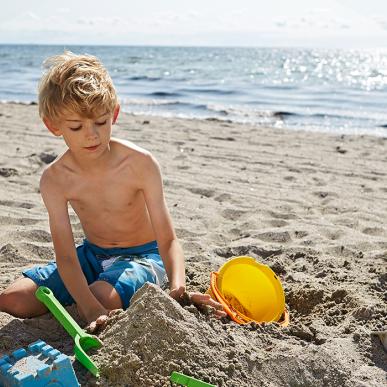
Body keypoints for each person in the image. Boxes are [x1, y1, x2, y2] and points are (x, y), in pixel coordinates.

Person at [0, 51, 225, 332]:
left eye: (100, 122)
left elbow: (168, 240)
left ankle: (100, 292)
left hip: (144, 257)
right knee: (13, 300)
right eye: (76, 126)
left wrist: (178, 288)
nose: (91, 135)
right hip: (92, 255)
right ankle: (90, 294)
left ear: (114, 114)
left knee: (98, 296)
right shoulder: (55, 179)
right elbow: (67, 257)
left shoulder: (140, 164)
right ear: (53, 126)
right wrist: (87, 307)